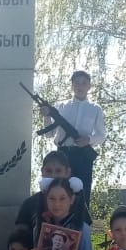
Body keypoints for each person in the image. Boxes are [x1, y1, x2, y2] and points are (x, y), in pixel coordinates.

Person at [40, 70, 107, 209]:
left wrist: (88, 140)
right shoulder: (61, 107)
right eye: (77, 83)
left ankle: (82, 221)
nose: (80, 86)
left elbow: (101, 135)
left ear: (89, 86)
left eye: (84, 83)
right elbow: (49, 134)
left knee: (82, 193)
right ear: (72, 86)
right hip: (62, 155)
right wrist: (46, 116)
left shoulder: (95, 109)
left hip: (83, 155)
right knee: (58, 190)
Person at [15, 150, 90, 229]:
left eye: (58, 171)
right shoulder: (29, 204)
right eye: (48, 171)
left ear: (67, 173)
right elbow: (19, 232)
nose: (53, 176)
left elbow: (85, 230)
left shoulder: (77, 202)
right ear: (42, 172)